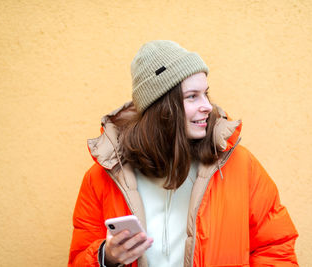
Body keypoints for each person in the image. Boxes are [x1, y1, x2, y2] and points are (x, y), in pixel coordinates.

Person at [68, 40, 299, 267]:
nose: (207, 105)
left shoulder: (240, 166)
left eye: (206, 93)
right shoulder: (103, 177)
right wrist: (106, 258)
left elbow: (276, 248)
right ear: (161, 107)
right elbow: (78, 259)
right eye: (192, 96)